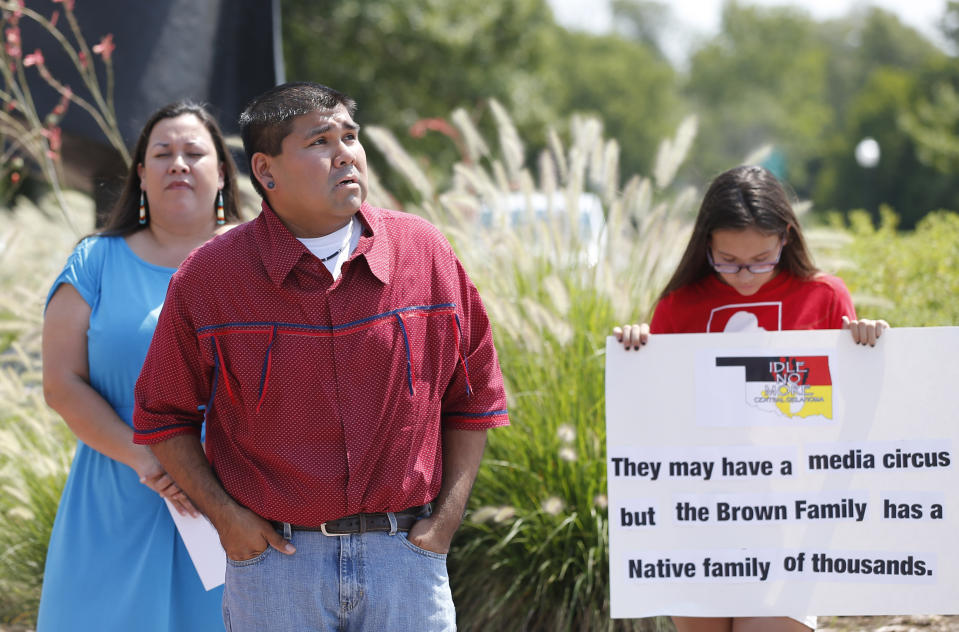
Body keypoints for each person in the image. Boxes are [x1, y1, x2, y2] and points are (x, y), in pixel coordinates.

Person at [132, 82, 510, 632]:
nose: (345, 154)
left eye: (351, 137)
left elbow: (476, 395)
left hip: (404, 558)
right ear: (266, 171)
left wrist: (443, 525)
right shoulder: (211, 277)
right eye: (320, 141)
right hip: (275, 569)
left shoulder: (424, 252)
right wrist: (228, 521)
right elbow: (163, 416)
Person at [613, 165, 887, 632]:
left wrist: (866, 349)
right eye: (728, 261)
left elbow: (852, 414)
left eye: (761, 259)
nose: (745, 276)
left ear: (786, 238)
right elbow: (657, 415)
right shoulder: (679, 305)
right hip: (698, 522)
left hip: (792, 521)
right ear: (706, 246)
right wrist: (639, 352)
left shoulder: (825, 296)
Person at [39, 101, 242, 631]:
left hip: (233, 505)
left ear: (222, 173)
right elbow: (61, 383)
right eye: (163, 153)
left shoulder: (263, 263)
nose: (178, 163)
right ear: (141, 176)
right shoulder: (95, 261)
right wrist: (150, 460)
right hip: (117, 495)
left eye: (194, 152)